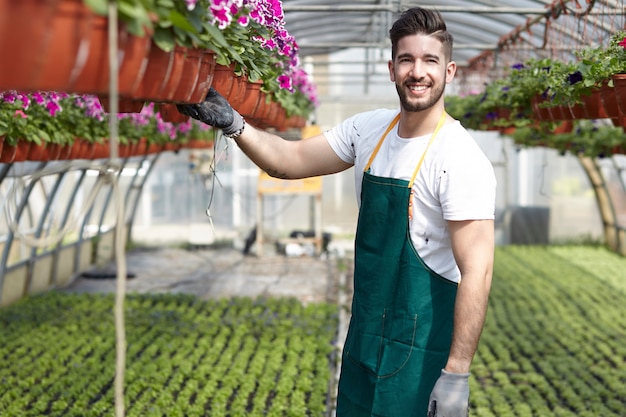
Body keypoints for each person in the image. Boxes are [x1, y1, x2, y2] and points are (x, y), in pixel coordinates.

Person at [178, 6, 496, 417]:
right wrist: (235, 123)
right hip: (364, 341)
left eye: (430, 61)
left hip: (420, 358)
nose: (418, 72)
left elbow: (478, 271)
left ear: (449, 71)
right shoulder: (369, 130)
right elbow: (288, 160)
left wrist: (456, 374)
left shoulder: (459, 157)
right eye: (407, 60)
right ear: (392, 68)